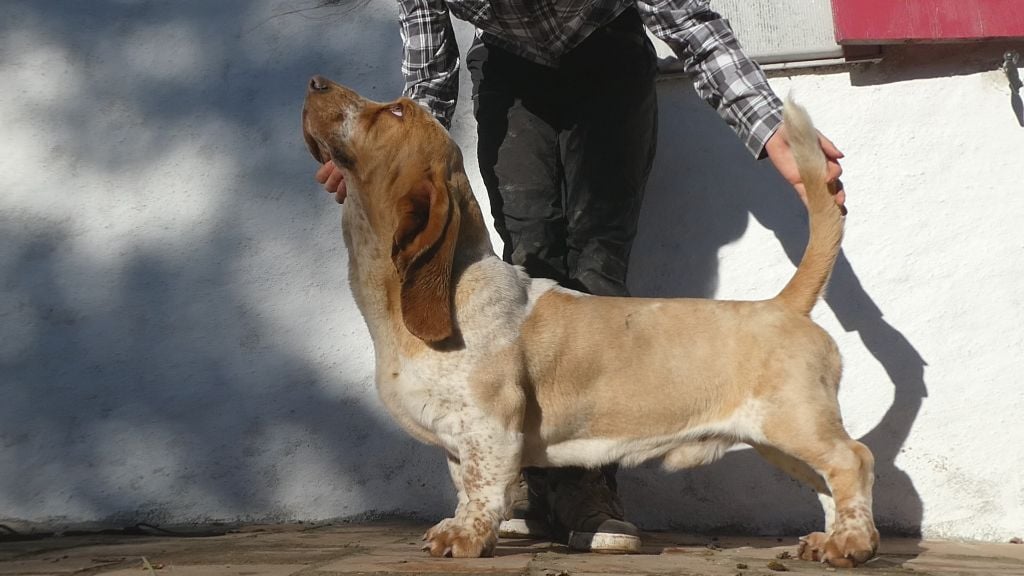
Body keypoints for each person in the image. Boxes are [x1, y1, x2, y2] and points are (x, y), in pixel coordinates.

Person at [316, 0, 845, 555]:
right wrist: (377, 160)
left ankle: (587, 489)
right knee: (526, 258)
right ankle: (518, 484)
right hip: (509, 69)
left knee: (597, 266)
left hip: (607, 56)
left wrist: (768, 129)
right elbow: (428, 75)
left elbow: (688, 22)